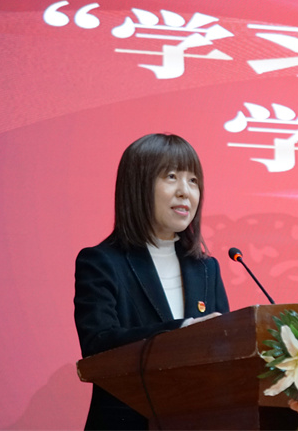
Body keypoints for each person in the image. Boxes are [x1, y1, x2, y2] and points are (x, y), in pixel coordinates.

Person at [74, 134, 230, 430]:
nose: (185, 192)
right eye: (171, 177)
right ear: (138, 185)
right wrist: (183, 331)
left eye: (193, 181)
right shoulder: (102, 262)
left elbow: (226, 350)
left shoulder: (206, 268)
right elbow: (98, 344)